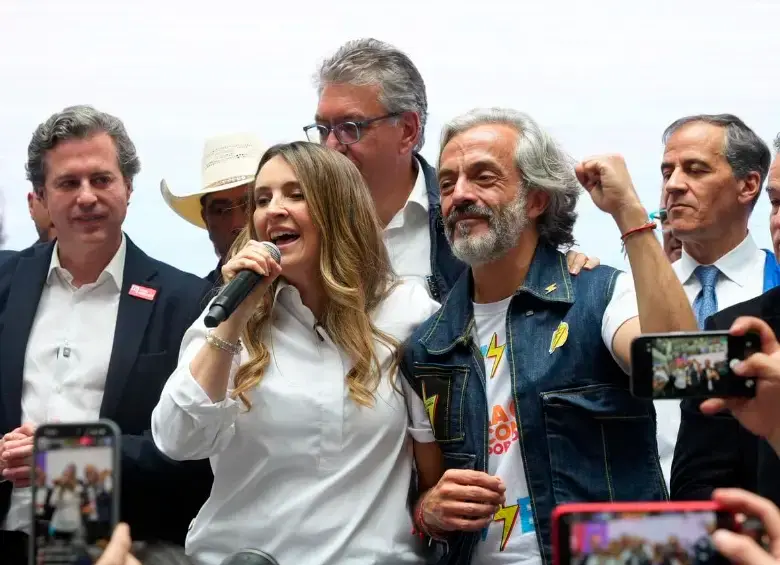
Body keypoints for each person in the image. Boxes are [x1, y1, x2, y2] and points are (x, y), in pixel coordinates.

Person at [400, 108, 697, 565]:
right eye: (447, 184)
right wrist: (429, 510)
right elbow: (422, 495)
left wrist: (629, 213)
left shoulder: (600, 294)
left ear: (536, 200)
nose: (459, 194)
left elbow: (684, 368)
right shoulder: (426, 346)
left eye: (483, 177)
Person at [151, 141, 447, 565]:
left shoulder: (409, 313)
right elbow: (177, 439)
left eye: (295, 194)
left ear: (338, 207)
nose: (273, 210)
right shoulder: (229, 317)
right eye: (263, 199)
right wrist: (233, 324)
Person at [0, 105, 213, 562]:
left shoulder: (185, 302)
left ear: (128, 188)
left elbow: (193, 450)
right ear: (41, 195)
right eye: (67, 183)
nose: (87, 197)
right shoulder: (1, 282)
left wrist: (68, 452)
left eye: (101, 179)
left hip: (117, 548)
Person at [309, 38, 596, 301]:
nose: (331, 145)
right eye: (323, 129)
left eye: (350, 128)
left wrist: (560, 271)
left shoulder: (467, 213)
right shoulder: (303, 222)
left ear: (407, 130)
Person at [654, 115, 780, 487]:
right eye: (666, 172)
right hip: (658, 514)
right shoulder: (625, 294)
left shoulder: (766, 293)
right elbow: (662, 368)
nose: (673, 186)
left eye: (695, 170)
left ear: (748, 185)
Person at [161, 134, 266, 286]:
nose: (236, 224)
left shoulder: (307, 292)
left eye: (250, 206)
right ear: (206, 218)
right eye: (221, 211)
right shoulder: (193, 305)